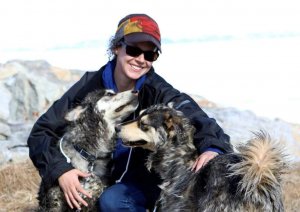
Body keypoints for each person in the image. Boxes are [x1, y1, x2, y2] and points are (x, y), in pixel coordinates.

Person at [27, 13, 232, 211]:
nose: (141, 59)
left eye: (150, 54)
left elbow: (194, 116)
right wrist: (60, 170)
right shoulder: (89, 88)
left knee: (113, 201)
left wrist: (213, 147)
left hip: (140, 185)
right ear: (117, 47)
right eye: (134, 50)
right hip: (97, 179)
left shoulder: (157, 90)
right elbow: (41, 132)